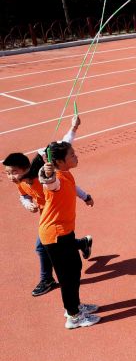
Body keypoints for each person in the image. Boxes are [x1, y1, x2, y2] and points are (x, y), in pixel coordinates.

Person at [3, 115, 93, 297]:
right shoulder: (21, 182)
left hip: (55, 219)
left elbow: (62, 149)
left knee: (43, 247)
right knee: (55, 246)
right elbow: (23, 196)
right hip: (48, 218)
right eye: (8, 174)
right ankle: (82, 243)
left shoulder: (42, 175)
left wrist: (73, 128)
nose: (11, 177)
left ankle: (48, 280)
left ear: (26, 169)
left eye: (14, 172)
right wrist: (27, 203)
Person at [37, 141, 99, 329]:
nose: (76, 156)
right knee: (67, 276)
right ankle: (73, 316)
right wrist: (46, 174)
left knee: (75, 268)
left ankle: (75, 306)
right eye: (72, 155)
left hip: (64, 232)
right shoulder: (56, 178)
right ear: (59, 161)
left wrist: (85, 197)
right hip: (55, 235)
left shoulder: (66, 174)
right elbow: (49, 183)